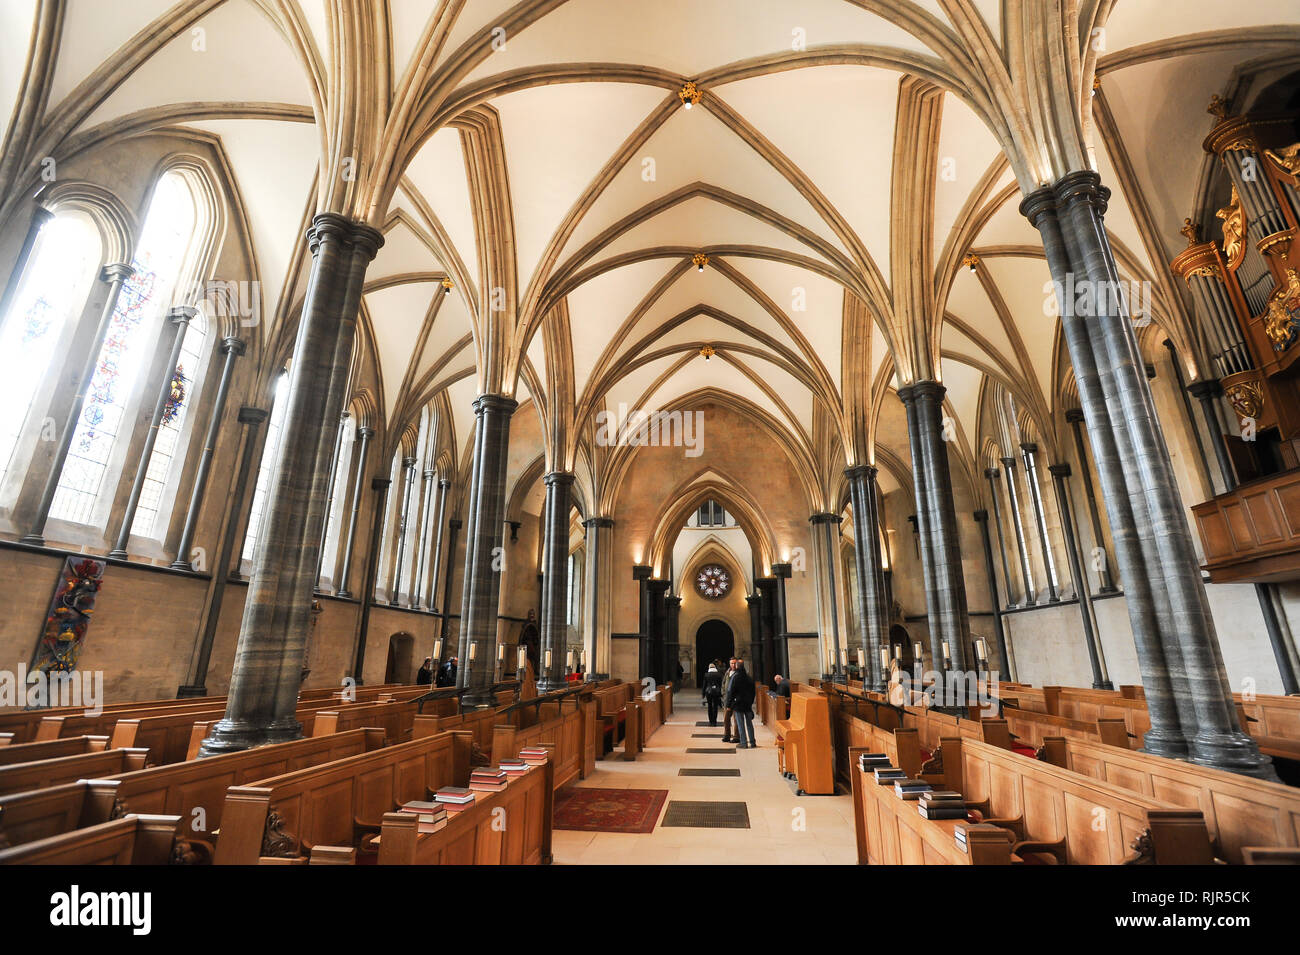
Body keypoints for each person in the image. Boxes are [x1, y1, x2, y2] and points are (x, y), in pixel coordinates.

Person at [727, 659, 757, 749]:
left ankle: (743, 743)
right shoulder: (749, 677)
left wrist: (729, 705)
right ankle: (752, 742)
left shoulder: (735, 677)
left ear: (736, 667)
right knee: (749, 723)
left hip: (738, 704)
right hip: (747, 704)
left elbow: (731, 691)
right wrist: (750, 702)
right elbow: (753, 692)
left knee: (740, 724)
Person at [720, 657, 739, 742]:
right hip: (727, 699)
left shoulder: (739, 673)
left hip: (735, 701)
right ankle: (727, 735)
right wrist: (724, 694)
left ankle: (736, 737)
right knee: (726, 719)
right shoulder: (727, 672)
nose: (733, 665)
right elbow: (723, 683)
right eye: (731, 663)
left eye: (734, 663)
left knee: (736, 720)